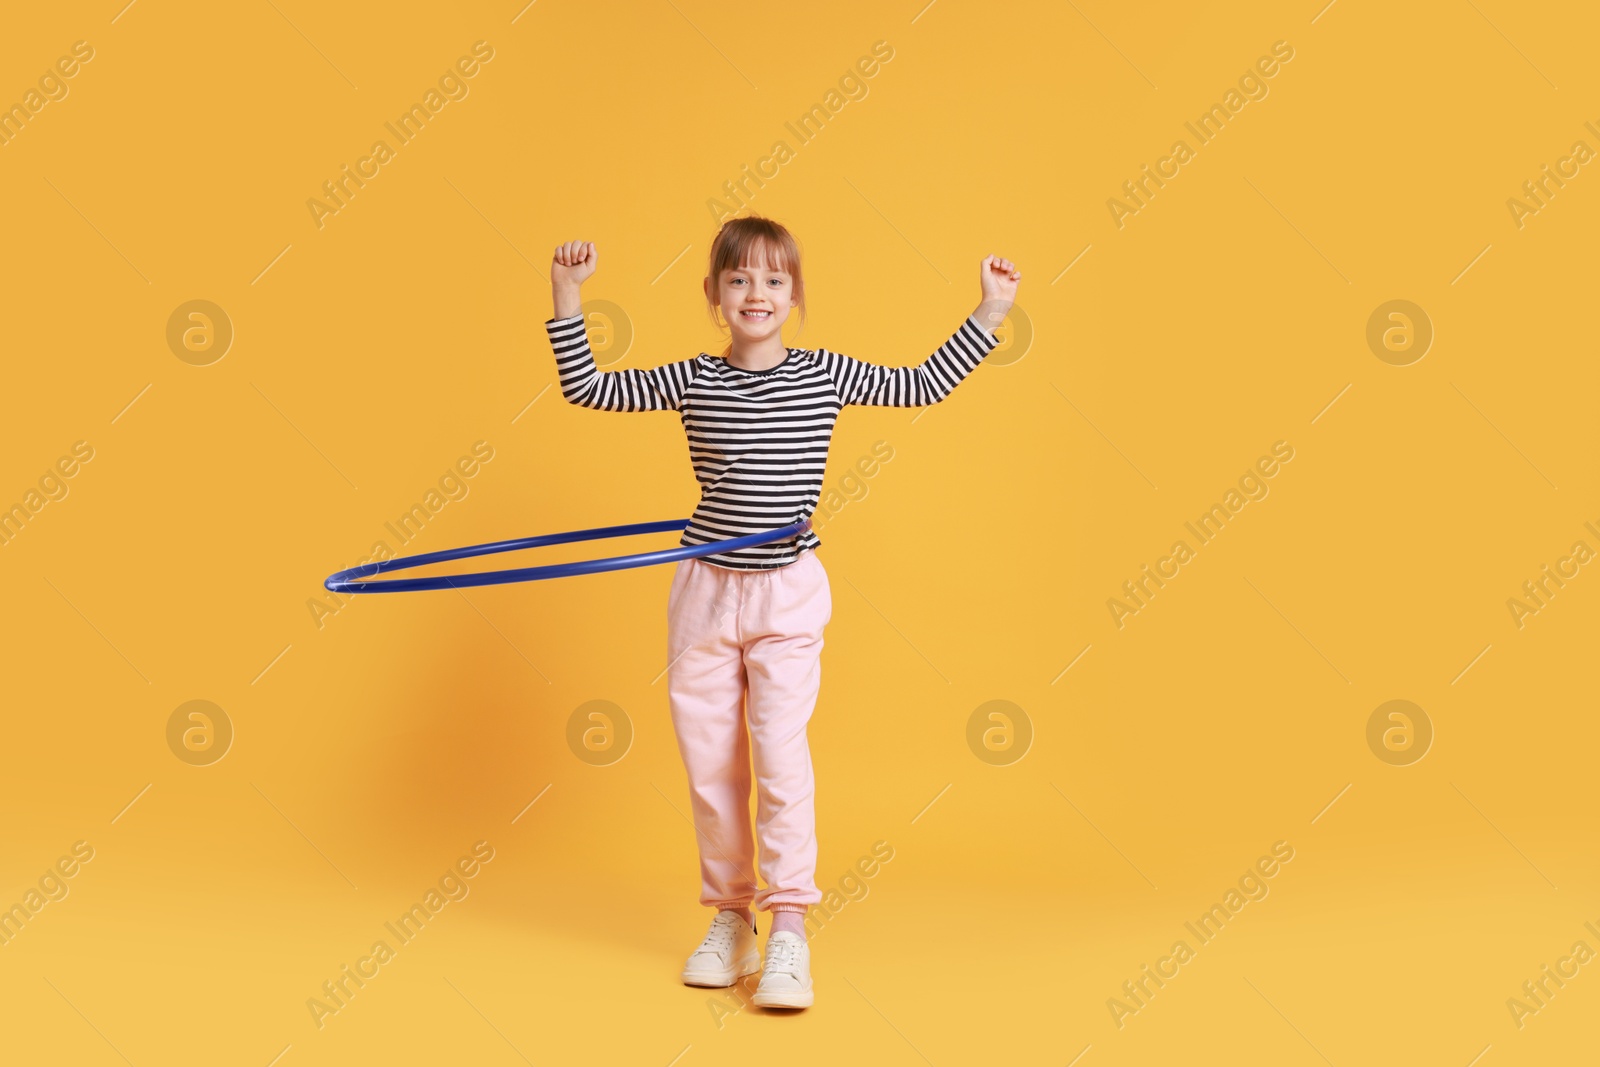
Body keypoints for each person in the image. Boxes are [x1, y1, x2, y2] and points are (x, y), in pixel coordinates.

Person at [544, 215, 1019, 1009]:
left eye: (772, 280)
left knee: (779, 749)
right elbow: (587, 388)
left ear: (794, 294)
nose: (755, 293)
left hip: (787, 585)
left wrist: (991, 311)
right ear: (713, 296)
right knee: (710, 764)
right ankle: (732, 917)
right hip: (702, 588)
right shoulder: (692, 378)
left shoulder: (824, 372)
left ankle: (789, 924)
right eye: (738, 279)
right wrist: (567, 293)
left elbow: (921, 382)